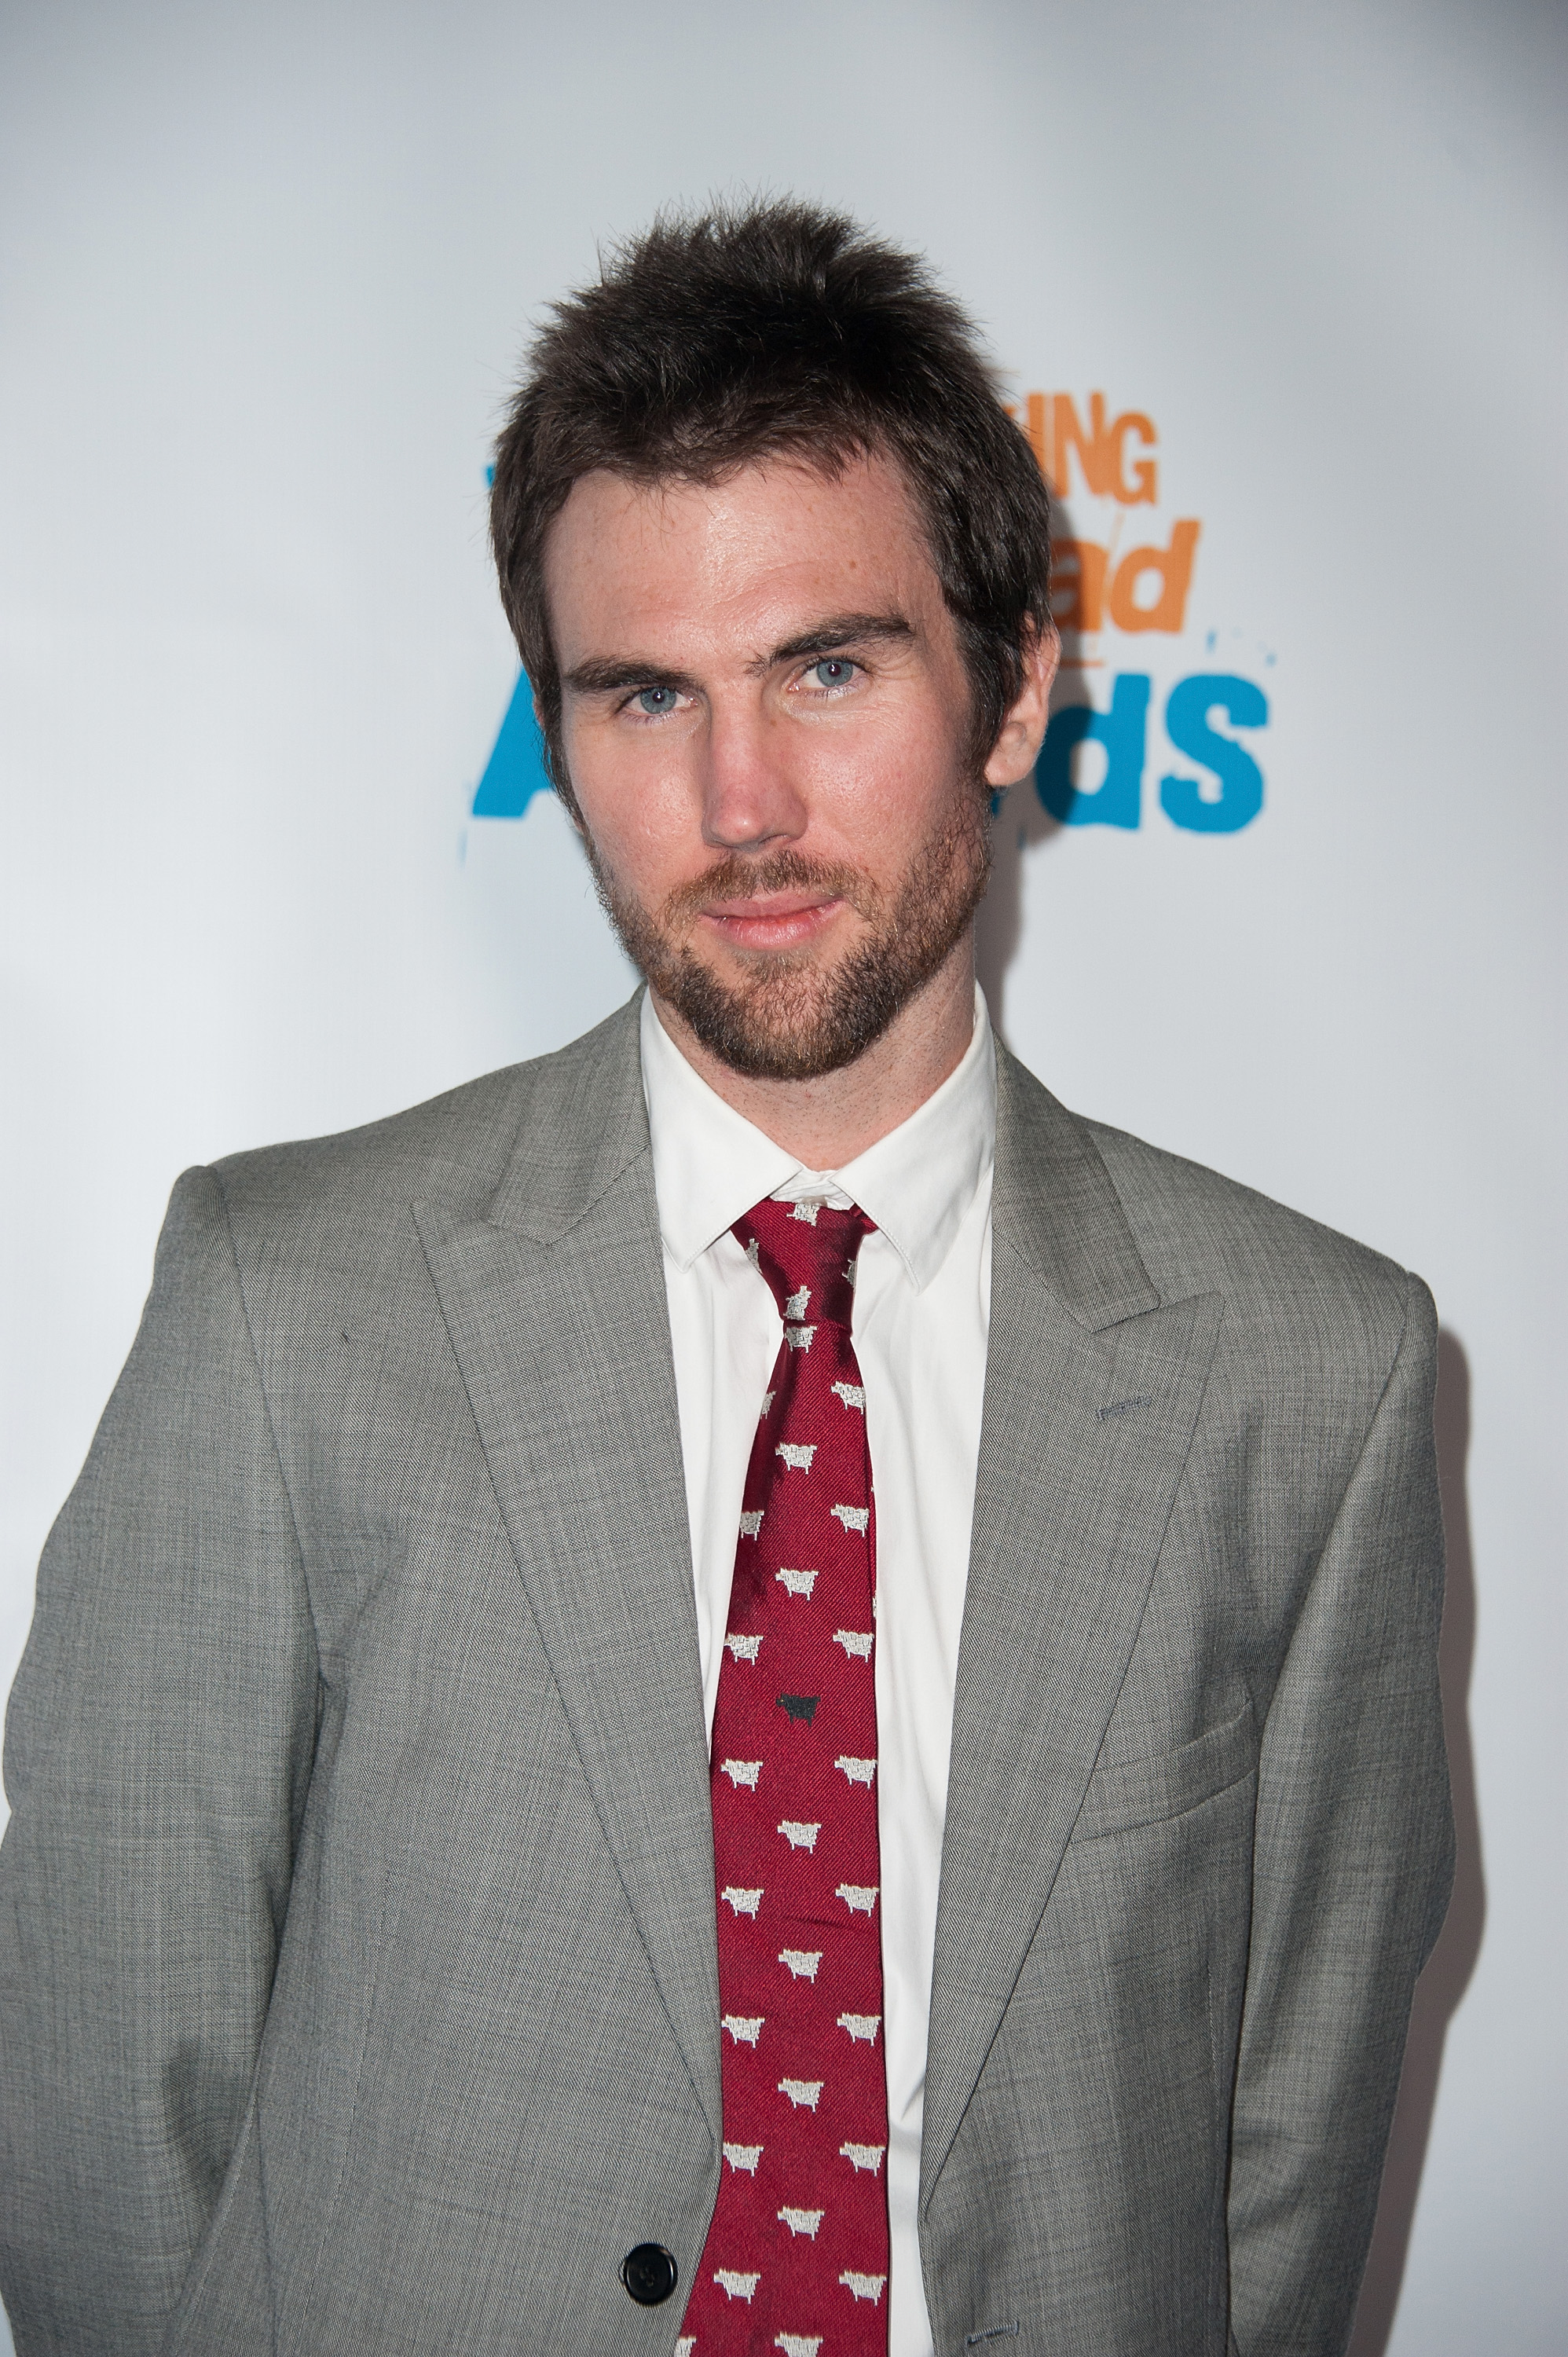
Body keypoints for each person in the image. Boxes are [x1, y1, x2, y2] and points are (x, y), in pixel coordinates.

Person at [0, 201, 1452, 2357]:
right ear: (561, 730)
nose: (738, 802)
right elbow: (111, 2096)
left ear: (1016, 687)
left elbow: (1291, 2144)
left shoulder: (1312, 1374)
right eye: (643, 694)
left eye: (827, 667)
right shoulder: (285, 1296)